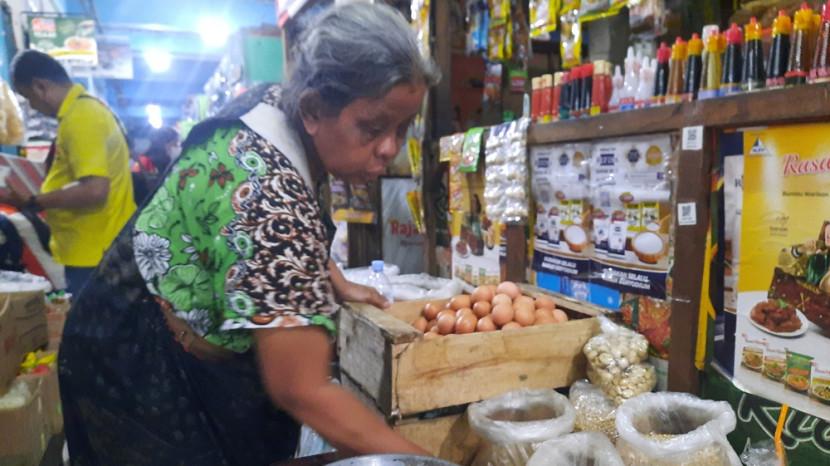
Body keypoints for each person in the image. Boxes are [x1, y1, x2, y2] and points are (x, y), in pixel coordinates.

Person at [58, 3, 440, 465]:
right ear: (313, 109)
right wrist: (430, 462)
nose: (390, 149)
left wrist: (331, 277)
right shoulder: (272, 196)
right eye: (373, 128)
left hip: (114, 323)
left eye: (403, 128)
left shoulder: (273, 106)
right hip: (132, 367)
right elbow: (303, 391)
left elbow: (266, 234)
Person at [2, 50, 135, 294]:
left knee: (92, 318)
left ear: (40, 86)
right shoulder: (82, 112)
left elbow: (95, 190)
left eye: (29, 97)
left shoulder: (82, 117)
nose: (33, 106)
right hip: (94, 249)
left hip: (95, 254)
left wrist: (34, 201)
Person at [132, 126, 181, 203]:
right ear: (165, 144)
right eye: (175, 144)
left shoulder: (170, 164)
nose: (178, 148)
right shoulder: (145, 160)